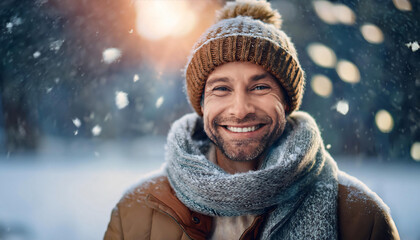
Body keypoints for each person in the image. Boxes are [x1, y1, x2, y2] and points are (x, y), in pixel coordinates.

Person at [104, 0, 400, 239]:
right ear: (202, 103)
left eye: (260, 87)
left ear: (286, 101)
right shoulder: (137, 212)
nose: (240, 109)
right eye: (221, 89)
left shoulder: (361, 217)